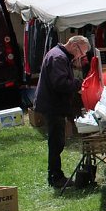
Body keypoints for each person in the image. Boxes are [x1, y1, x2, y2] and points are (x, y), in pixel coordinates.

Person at [34, 35, 90, 188]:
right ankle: (55, 176)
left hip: (54, 104)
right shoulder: (58, 57)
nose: (80, 56)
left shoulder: (60, 55)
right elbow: (60, 83)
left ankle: (55, 174)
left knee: (58, 140)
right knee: (56, 142)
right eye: (81, 52)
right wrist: (79, 84)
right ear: (74, 45)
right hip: (52, 105)